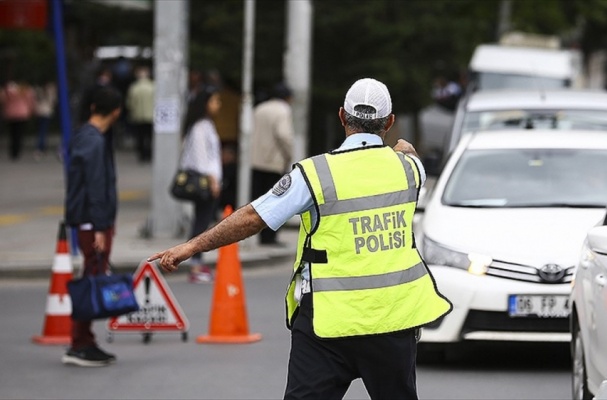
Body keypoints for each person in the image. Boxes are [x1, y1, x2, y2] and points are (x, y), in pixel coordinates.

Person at [149, 78, 453, 399]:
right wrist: (403, 148)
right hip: (392, 321)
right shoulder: (409, 170)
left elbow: (254, 217)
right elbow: (408, 153)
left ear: (341, 117)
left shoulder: (315, 174)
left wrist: (192, 246)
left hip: (327, 322)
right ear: (390, 122)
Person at [63, 86, 122, 367]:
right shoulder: (94, 141)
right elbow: (96, 187)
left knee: (92, 274)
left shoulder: (84, 136)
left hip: (90, 220)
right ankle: (80, 343)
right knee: (91, 278)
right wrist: (101, 226)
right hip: (92, 222)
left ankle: (84, 340)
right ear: (116, 111)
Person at [178, 88, 223, 283]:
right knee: (201, 223)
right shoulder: (200, 127)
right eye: (214, 101)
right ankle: (195, 264)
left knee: (203, 221)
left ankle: (197, 261)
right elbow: (201, 159)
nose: (218, 105)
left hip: (209, 180)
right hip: (204, 182)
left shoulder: (206, 125)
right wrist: (213, 181)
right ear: (205, 103)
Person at [250, 82, 294, 245]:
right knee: (275, 201)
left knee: (259, 199)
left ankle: (260, 235)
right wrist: (289, 154)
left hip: (256, 160)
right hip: (273, 162)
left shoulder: (259, 108)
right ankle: (270, 237)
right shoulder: (283, 110)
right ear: (288, 98)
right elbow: (283, 134)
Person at [0, 79, 35, 161]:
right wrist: (31, 110)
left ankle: (13, 151)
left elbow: (2, 100)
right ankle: (17, 151)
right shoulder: (25, 90)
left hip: (11, 114)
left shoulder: (7, 91)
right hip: (22, 114)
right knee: (19, 134)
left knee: (12, 133)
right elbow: (30, 101)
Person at [126, 66, 155, 162]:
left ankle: (142, 154)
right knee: (150, 137)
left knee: (140, 136)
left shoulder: (134, 88)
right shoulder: (153, 87)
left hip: (138, 116)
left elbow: (130, 103)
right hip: (151, 116)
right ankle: (149, 154)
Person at [33, 80, 58, 160]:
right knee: (44, 130)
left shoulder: (38, 89)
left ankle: (41, 148)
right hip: (47, 112)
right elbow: (54, 101)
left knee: (41, 130)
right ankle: (41, 147)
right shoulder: (51, 90)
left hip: (40, 111)